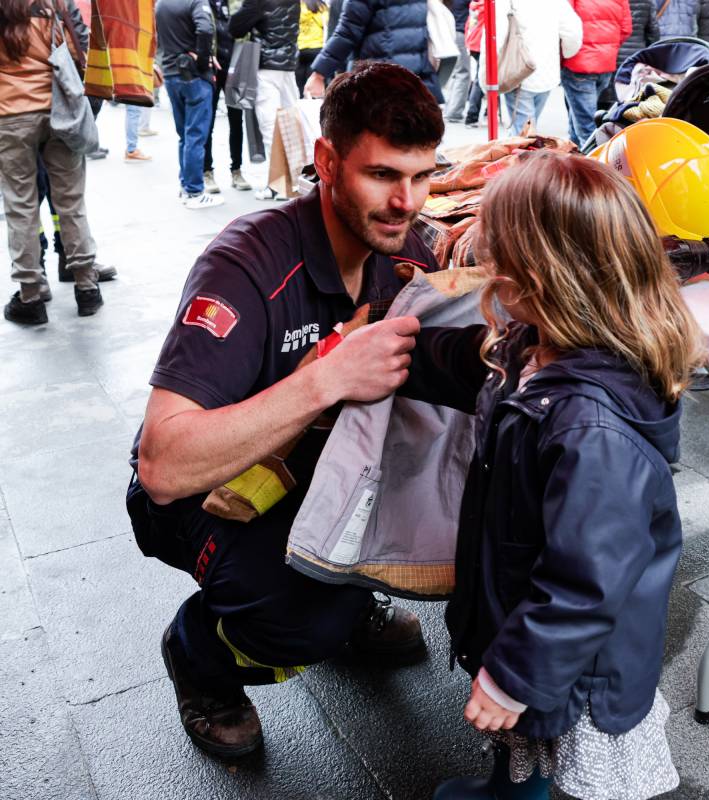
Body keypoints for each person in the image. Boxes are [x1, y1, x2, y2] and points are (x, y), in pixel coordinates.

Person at [129, 62, 442, 759]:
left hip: (324, 465)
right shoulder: (245, 265)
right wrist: (325, 380)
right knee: (299, 623)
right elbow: (163, 466)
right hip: (212, 490)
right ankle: (199, 655)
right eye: (384, 175)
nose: (408, 202)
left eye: (422, 177)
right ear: (325, 161)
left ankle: (349, 598)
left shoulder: (406, 249)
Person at [398, 152, 702, 800]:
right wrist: (396, 355)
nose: (482, 264)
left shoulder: (592, 430)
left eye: (492, 256)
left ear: (531, 279)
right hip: (530, 620)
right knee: (525, 743)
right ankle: (510, 791)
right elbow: (470, 370)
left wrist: (513, 674)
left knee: (547, 734)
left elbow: (584, 584)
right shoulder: (539, 344)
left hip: (576, 661)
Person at [0, 0, 104, 324]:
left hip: (9, 116)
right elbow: (81, 47)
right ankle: (87, 287)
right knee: (71, 202)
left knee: (21, 206)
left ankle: (31, 296)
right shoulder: (55, 3)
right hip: (59, 109)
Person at [157, 0, 226, 209]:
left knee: (185, 136)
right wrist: (203, 59)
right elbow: (205, 29)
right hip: (193, 75)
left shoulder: (161, 4)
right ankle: (195, 191)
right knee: (195, 135)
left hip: (171, 73)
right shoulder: (196, 2)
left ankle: (186, 186)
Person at [229, 0, 301, 200]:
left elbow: (235, 27)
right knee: (290, 125)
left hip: (266, 66)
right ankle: (293, 181)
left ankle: (281, 186)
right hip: (288, 66)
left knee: (270, 127)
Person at [304, 0, 440, 105]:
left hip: (378, 79)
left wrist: (319, 73)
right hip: (414, 75)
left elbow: (347, 33)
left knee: (379, 134)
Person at [479, 0, 582, 137]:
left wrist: (485, 79)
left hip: (517, 72)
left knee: (524, 136)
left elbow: (493, 39)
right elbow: (573, 33)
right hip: (547, 72)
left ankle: (518, 155)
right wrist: (566, 53)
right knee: (525, 130)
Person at [560, 0, 630, 148]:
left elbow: (564, 26)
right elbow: (626, 29)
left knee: (586, 125)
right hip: (605, 63)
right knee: (579, 115)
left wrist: (563, 55)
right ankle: (574, 152)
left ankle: (591, 160)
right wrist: (608, 48)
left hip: (578, 63)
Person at [202, 0, 250, 194]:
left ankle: (236, 170)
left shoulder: (237, 3)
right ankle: (207, 172)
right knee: (208, 122)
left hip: (235, 67)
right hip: (211, 68)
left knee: (237, 122)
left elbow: (247, 28)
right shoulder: (202, 4)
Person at [598, 0, 659, 109]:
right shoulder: (647, 2)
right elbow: (653, 32)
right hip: (634, 58)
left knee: (605, 99)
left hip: (608, 54)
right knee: (629, 99)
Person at [442, 0, 472, 122]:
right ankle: (454, 112)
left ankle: (450, 109)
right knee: (463, 73)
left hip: (451, 32)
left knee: (456, 73)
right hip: (460, 33)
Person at [295, 0, 328, 93]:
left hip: (301, 48)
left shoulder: (300, 6)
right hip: (317, 48)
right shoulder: (322, 6)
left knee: (299, 84)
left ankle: (301, 100)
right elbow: (326, 23)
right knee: (312, 84)